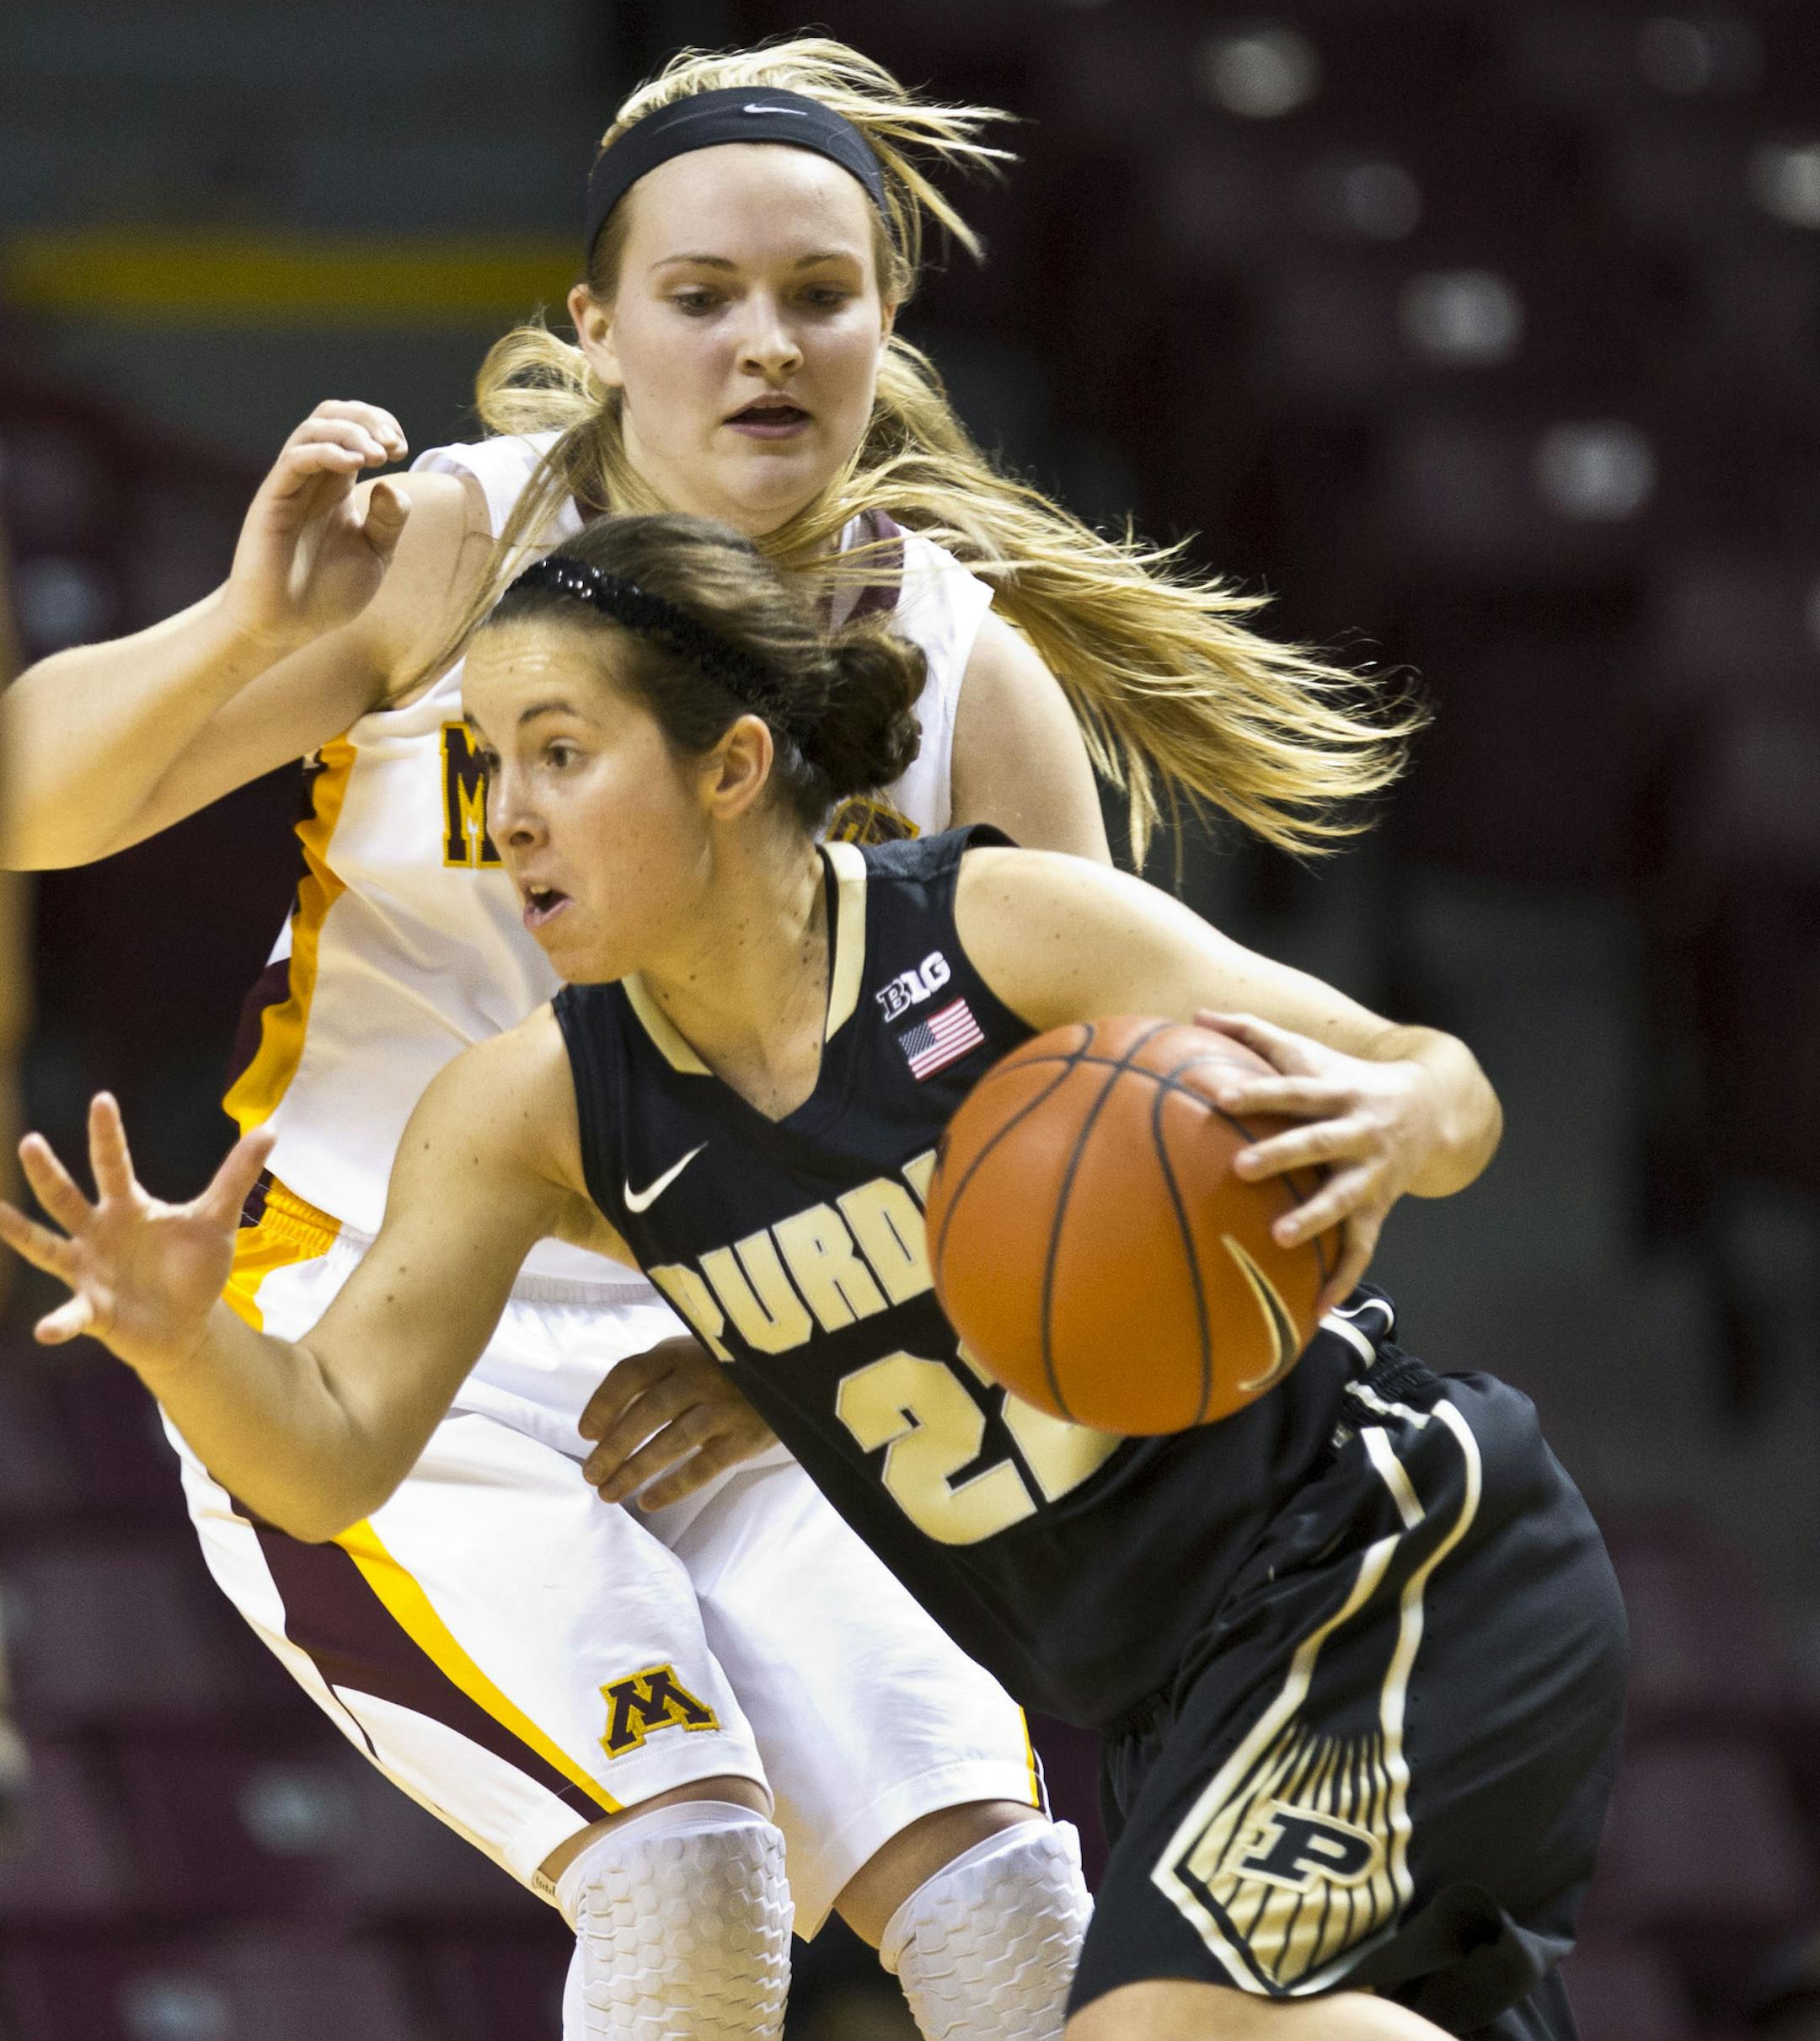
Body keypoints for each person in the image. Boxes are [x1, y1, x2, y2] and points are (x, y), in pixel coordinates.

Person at [0, 37, 1414, 2038]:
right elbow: (28, 806)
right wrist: (241, 630)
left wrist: (830, 1345)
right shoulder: (451, 545)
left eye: (817, 295)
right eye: (703, 297)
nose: (766, 344)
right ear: (600, 329)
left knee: (1018, 1909)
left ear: (885, 324)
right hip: (382, 1322)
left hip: (733, 1349)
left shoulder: (957, 677)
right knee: (687, 1873)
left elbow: (1056, 1122)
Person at [3, 512, 1627, 2039]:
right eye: (494, 764)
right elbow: (330, 1452)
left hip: (1378, 1548)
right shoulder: (539, 1107)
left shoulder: (995, 928)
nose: (509, 816)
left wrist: (1399, 1107)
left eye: (562, 755)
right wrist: (182, 1333)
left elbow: (1440, 1084)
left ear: (732, 766)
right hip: (1163, 1687)